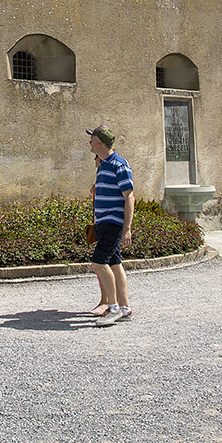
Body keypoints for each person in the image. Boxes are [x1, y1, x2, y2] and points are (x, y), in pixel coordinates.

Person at [86, 125, 134, 326]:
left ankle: (113, 308)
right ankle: (125, 307)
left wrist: (127, 228)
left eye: (92, 140)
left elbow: (129, 197)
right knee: (115, 264)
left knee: (98, 262)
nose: (89, 143)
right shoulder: (104, 165)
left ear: (99, 142)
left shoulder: (119, 165)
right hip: (103, 223)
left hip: (113, 223)